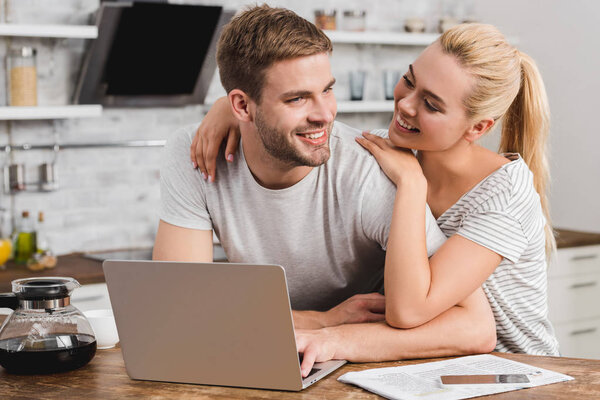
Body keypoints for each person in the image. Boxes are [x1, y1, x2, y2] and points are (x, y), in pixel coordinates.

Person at [155, 5, 496, 377]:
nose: (325, 114)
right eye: (297, 98)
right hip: (260, 357)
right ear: (241, 105)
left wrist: (332, 336)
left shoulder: (369, 172)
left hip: (357, 371)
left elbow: (475, 327)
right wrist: (321, 321)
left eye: (327, 90)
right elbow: (179, 311)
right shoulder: (197, 151)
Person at [190, 20, 559, 355]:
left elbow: (408, 310)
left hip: (517, 371)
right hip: (432, 367)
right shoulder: (388, 152)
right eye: (410, 81)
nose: (405, 105)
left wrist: (412, 185)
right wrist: (232, 107)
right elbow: (306, 114)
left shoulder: (502, 195)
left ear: (477, 128)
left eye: (430, 104)